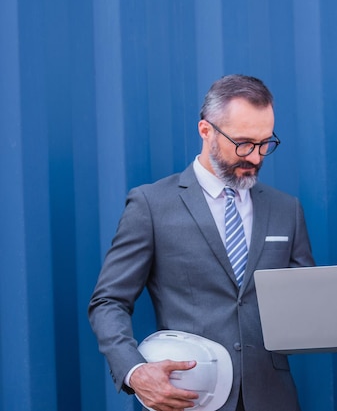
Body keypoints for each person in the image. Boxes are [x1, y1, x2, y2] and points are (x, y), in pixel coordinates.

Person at [88, 74, 315, 411]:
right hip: (189, 399)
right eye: (243, 143)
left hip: (273, 399)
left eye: (265, 143)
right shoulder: (151, 205)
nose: (255, 157)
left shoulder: (286, 209)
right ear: (206, 131)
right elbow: (108, 302)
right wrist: (135, 372)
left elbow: (307, 302)